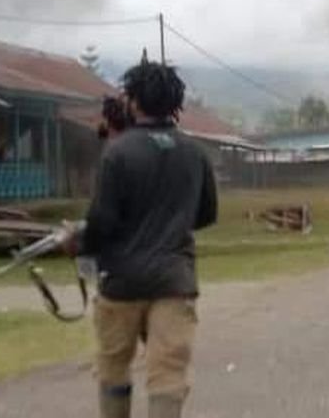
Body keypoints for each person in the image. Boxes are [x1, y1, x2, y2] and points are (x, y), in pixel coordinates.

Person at [78, 61, 218, 418]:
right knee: (168, 376)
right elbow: (206, 215)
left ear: (134, 101)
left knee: (113, 368)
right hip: (175, 281)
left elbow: (102, 221)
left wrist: (80, 245)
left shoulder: (118, 152)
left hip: (121, 283)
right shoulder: (195, 153)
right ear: (175, 103)